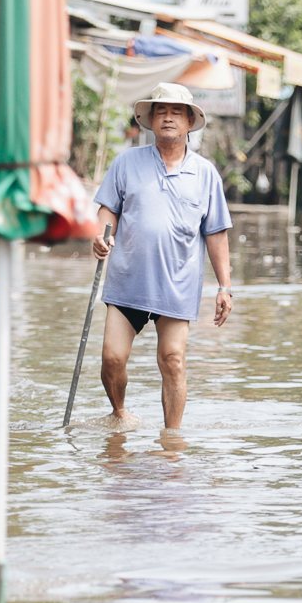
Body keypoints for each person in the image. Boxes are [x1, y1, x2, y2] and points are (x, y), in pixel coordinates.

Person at [91, 82, 234, 430]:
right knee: (112, 358)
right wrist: (99, 234)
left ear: (189, 121)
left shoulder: (205, 174)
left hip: (177, 285)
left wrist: (225, 287)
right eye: (161, 111)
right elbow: (108, 211)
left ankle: (172, 440)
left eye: (175, 112)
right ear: (151, 119)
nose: (168, 118)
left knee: (173, 360)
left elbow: (215, 234)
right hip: (127, 281)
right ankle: (120, 413)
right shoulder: (127, 162)